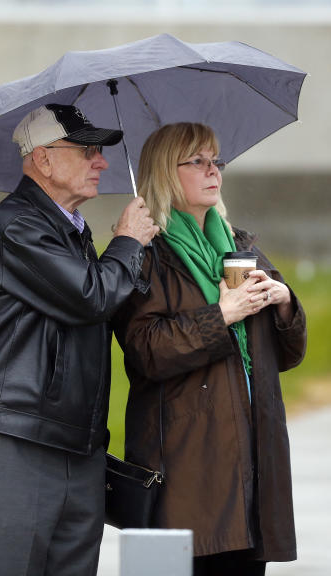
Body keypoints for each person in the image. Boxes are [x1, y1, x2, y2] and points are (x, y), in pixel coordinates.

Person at [0, 103, 159, 576]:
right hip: (14, 442)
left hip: (75, 448)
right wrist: (127, 241)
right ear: (43, 160)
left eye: (101, 152)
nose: (101, 162)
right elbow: (90, 295)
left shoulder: (71, 233)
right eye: (87, 150)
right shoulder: (18, 226)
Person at [112, 122, 307, 576]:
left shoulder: (240, 248)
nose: (213, 170)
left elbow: (287, 356)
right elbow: (146, 351)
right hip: (178, 470)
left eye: (216, 160)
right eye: (197, 161)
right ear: (165, 171)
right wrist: (221, 315)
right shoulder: (145, 253)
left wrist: (283, 304)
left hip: (248, 464)